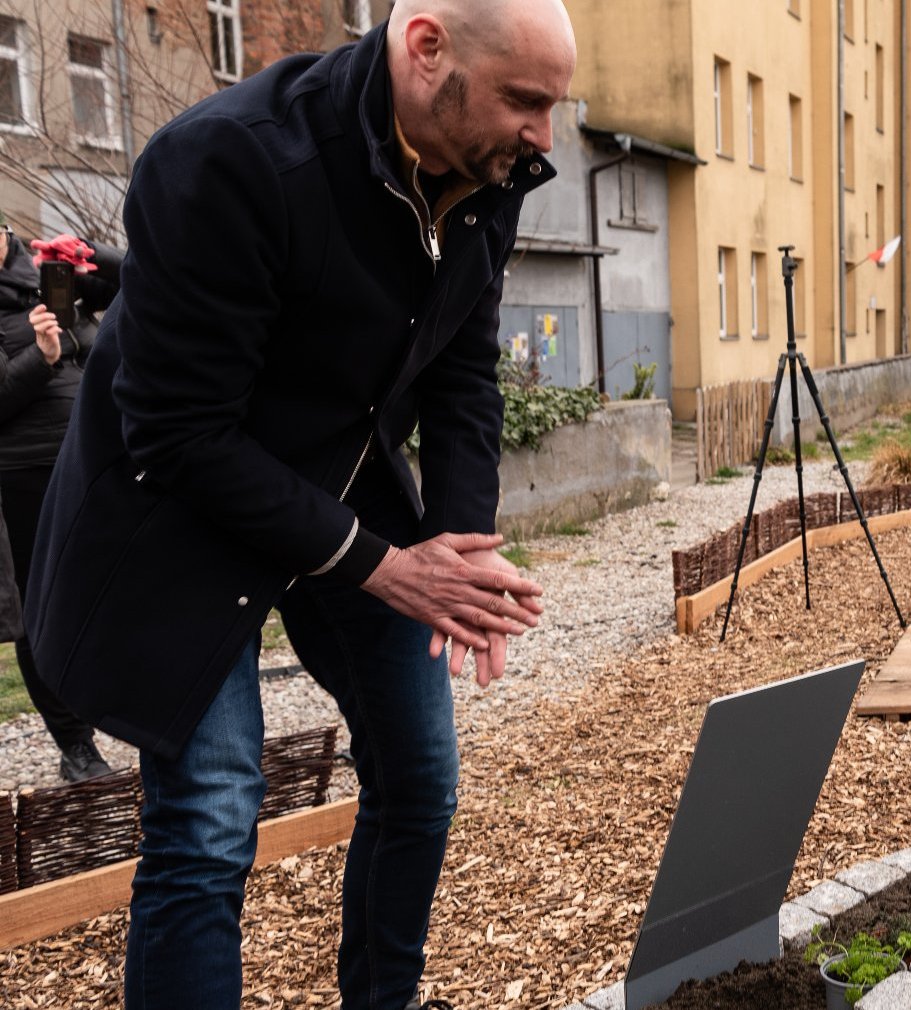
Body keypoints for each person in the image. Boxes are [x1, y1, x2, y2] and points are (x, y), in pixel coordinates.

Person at [25, 0, 577, 1005]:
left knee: (420, 776)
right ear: (426, 49)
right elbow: (180, 432)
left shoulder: (488, 169)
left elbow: (463, 369)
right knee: (209, 815)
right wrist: (383, 563)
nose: (545, 135)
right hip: (175, 508)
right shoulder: (226, 161)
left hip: (341, 473)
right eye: (526, 100)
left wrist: (458, 544)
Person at [0, 226, 121, 782]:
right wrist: (42, 355)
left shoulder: (52, 277)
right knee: (40, 603)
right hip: (24, 473)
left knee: (120, 585)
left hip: (97, 451)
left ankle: (141, 709)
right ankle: (77, 747)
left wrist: (88, 254)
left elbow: (143, 281)